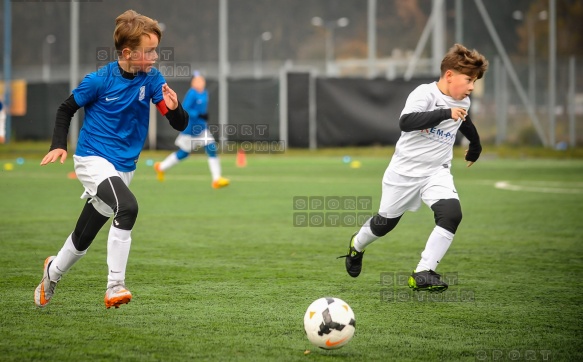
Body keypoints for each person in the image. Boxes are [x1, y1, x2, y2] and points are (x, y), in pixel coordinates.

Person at [35, 10, 188, 309]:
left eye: (156, 49)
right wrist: (59, 144)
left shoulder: (153, 79)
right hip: (92, 159)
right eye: (150, 51)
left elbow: (179, 124)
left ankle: (51, 273)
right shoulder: (99, 80)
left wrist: (175, 107)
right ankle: (114, 286)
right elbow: (66, 109)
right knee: (128, 207)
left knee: (85, 234)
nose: (156, 57)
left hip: (123, 168)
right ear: (129, 53)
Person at [339, 44, 488, 293]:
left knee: (451, 214)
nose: (472, 86)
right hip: (403, 173)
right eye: (469, 79)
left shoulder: (464, 101)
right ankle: (357, 245)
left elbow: (464, 119)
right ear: (449, 75)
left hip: (436, 172)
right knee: (383, 225)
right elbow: (406, 122)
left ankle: (422, 272)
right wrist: (445, 113)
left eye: (474, 81)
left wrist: (476, 144)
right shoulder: (424, 93)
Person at [154, 71, 230, 189]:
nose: (201, 82)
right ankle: (161, 167)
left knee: (211, 149)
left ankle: (216, 179)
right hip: (190, 130)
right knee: (184, 153)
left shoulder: (204, 93)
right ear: (193, 82)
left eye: (202, 80)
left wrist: (203, 116)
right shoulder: (192, 94)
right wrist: (198, 115)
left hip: (202, 129)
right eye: (197, 80)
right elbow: (186, 108)